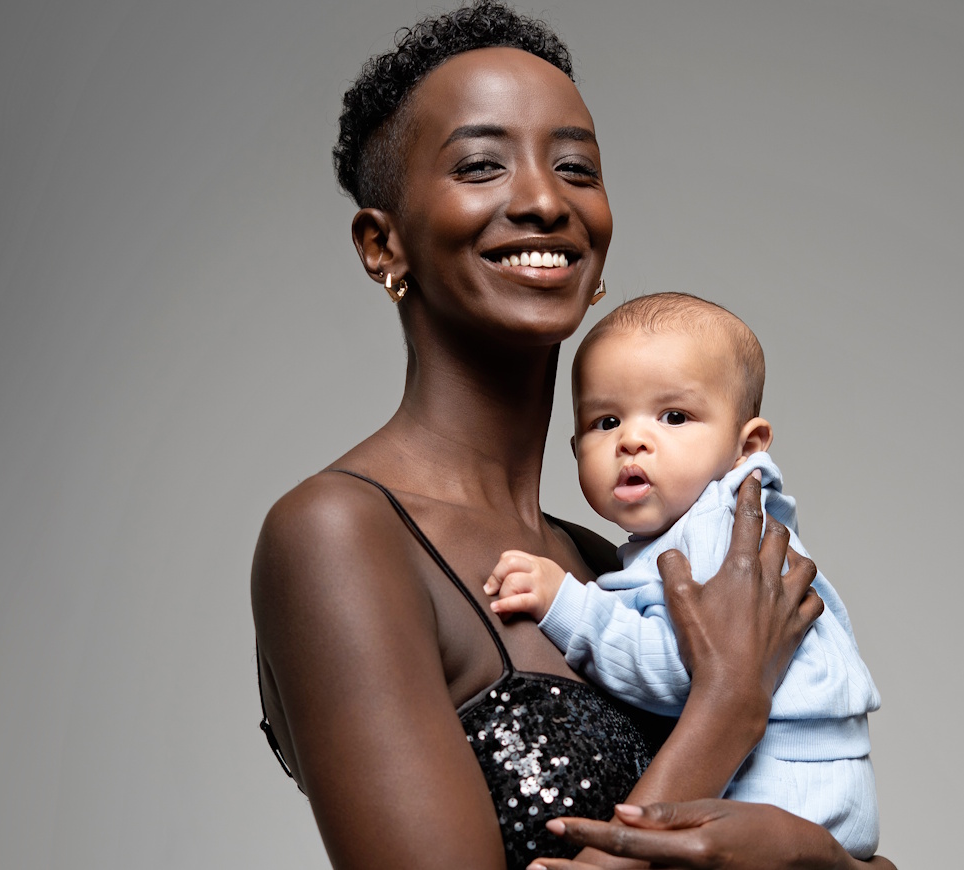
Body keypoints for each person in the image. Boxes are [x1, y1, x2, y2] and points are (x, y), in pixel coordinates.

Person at [249, 4, 896, 869]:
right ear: (382, 244)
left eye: (575, 169)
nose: (545, 200)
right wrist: (728, 705)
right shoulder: (338, 535)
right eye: (481, 165)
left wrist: (813, 859)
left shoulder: (610, 561)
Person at [485, 293, 881, 857]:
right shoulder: (681, 534)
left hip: (788, 792)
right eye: (605, 421)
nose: (631, 440)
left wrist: (566, 605)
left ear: (746, 446)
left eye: (674, 416)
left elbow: (687, 673)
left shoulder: (722, 529)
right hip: (818, 791)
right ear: (575, 448)